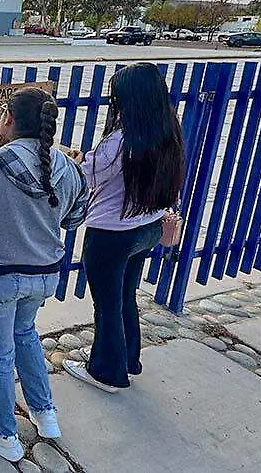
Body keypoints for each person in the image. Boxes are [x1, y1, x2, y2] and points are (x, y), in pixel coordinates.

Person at [0, 87, 89, 462]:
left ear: (10, 120)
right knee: (26, 335)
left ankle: (4, 434)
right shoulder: (68, 167)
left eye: (2, 115)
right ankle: (45, 415)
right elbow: (76, 217)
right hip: (44, 272)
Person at [64, 63, 185, 393]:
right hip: (146, 227)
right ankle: (129, 357)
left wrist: (76, 159)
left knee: (106, 304)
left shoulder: (118, 141)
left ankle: (107, 372)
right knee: (124, 295)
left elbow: (85, 176)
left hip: (111, 236)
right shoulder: (167, 131)